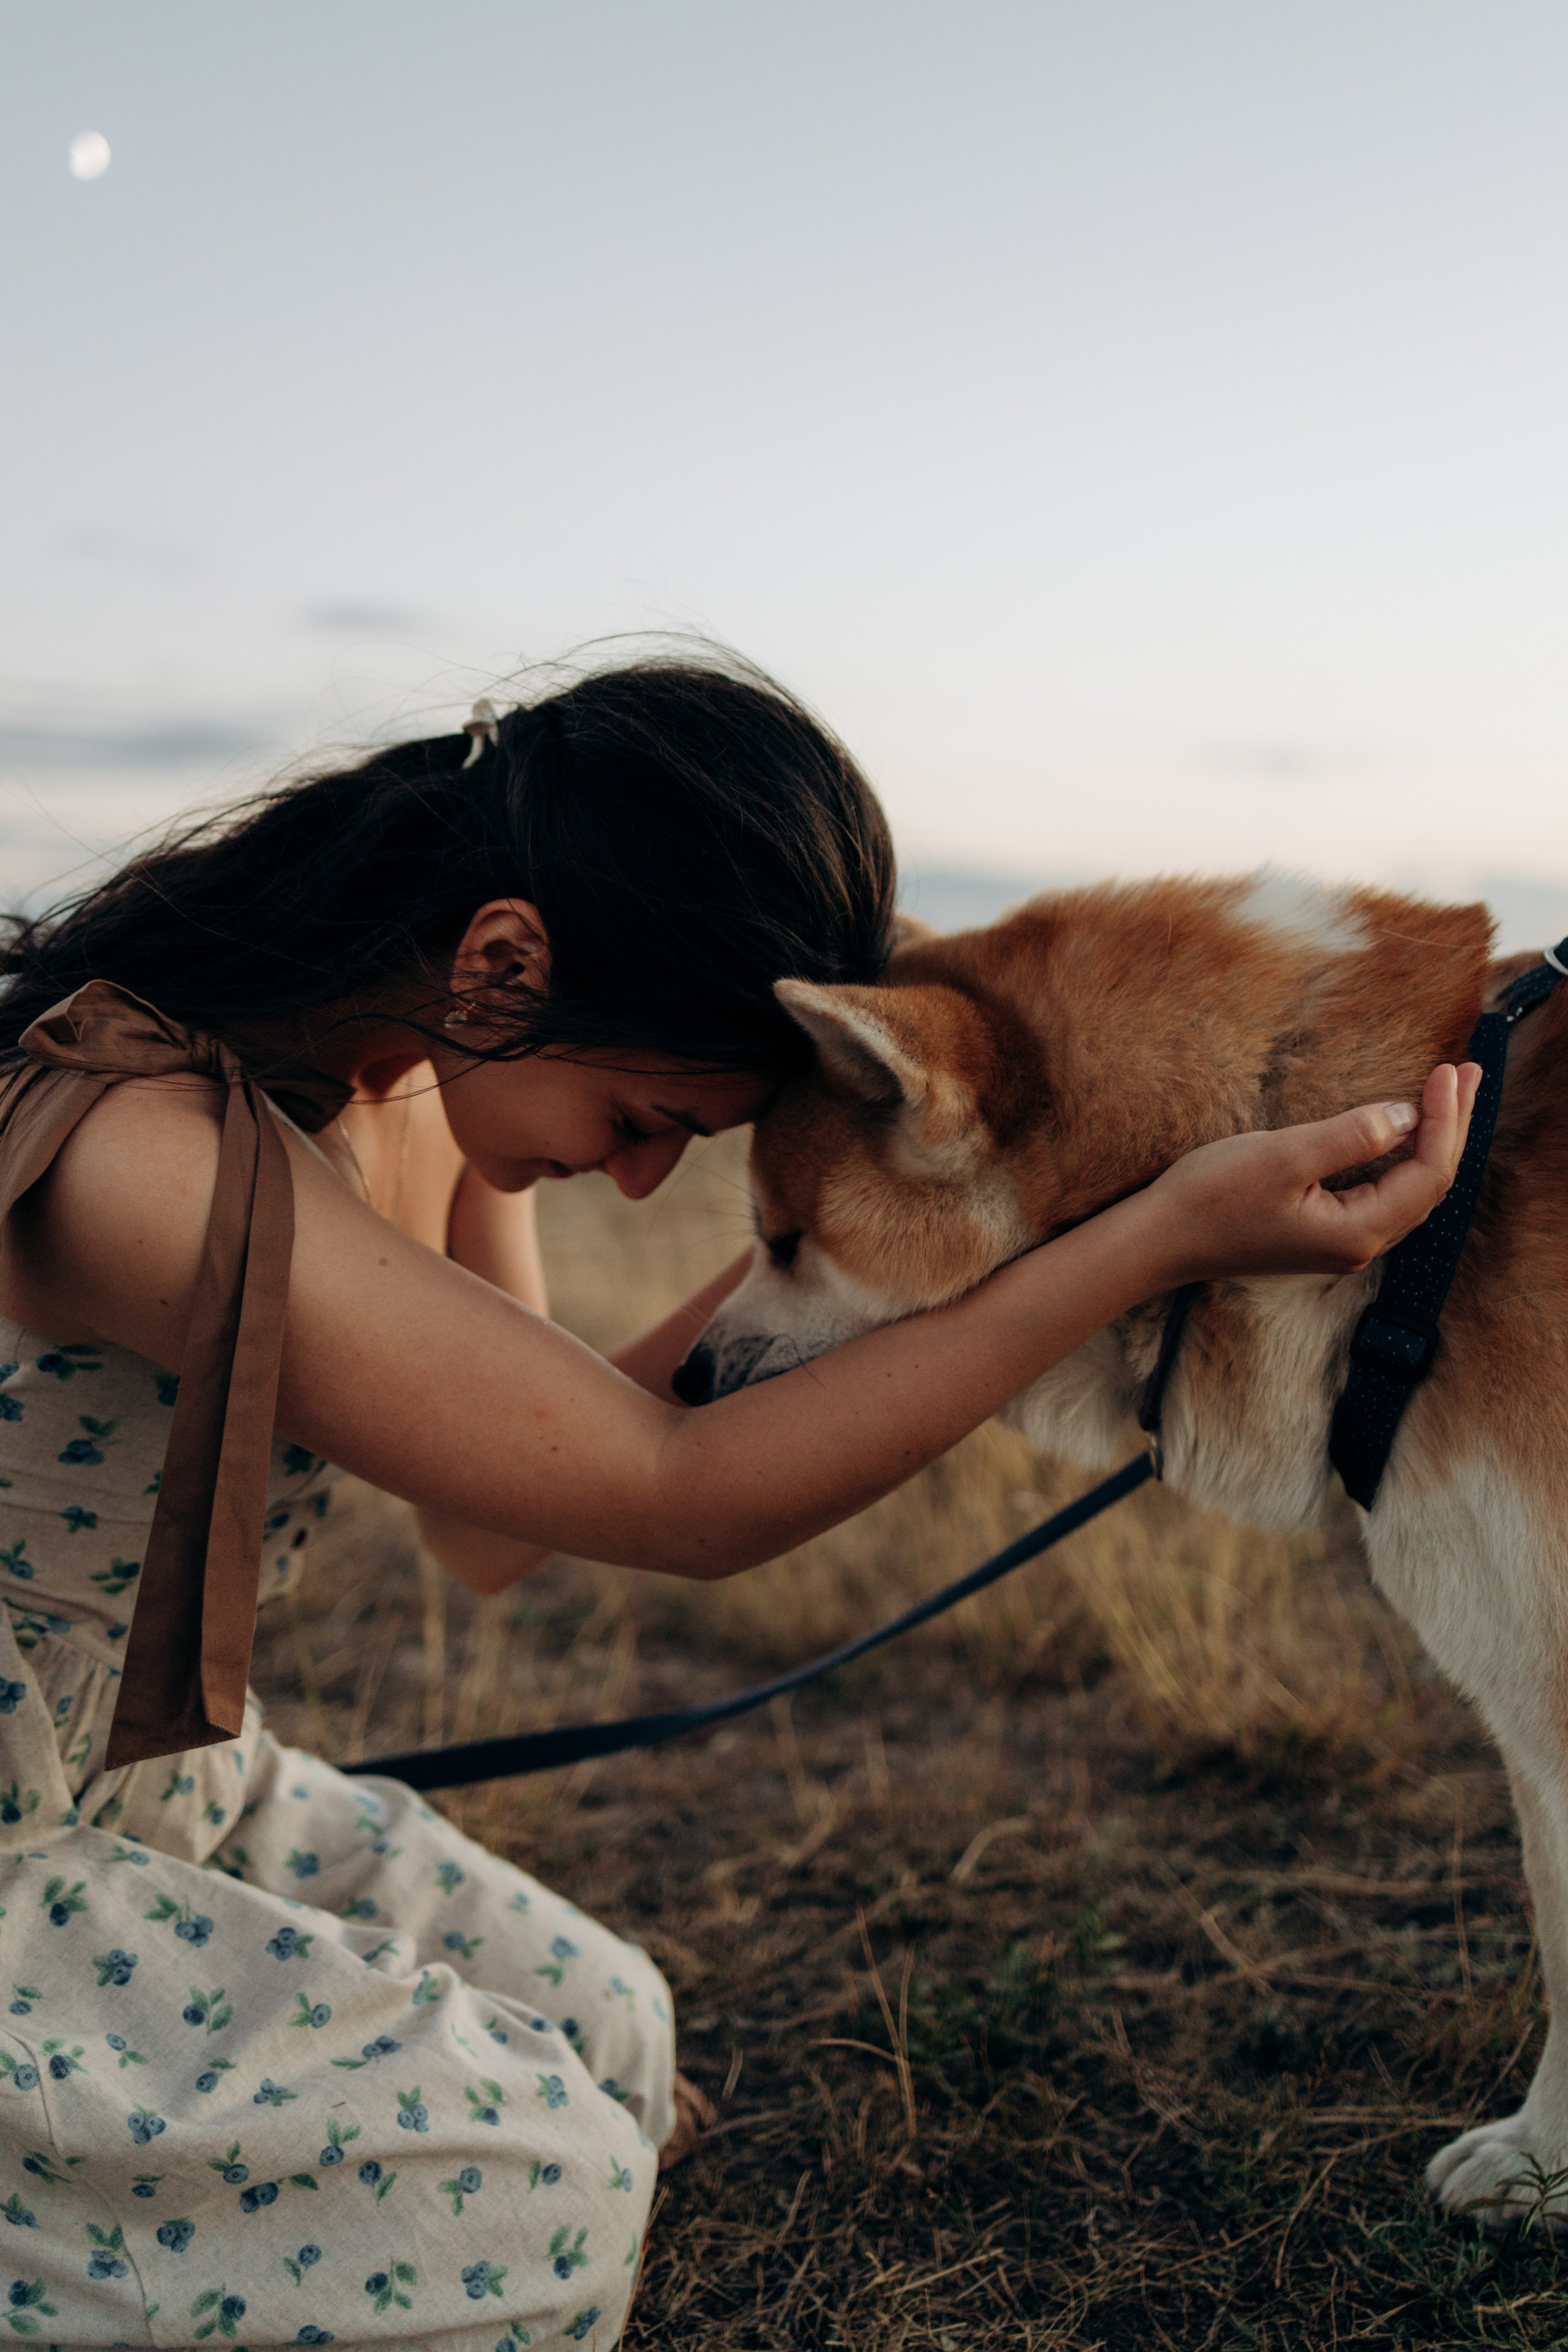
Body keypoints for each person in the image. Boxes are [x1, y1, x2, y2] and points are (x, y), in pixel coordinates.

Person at [0, 653, 1476, 2351]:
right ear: (501, 960)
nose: (639, 1175)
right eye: (641, 1120)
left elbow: (502, 1521)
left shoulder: (415, 1089)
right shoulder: (145, 1154)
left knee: (616, 2032)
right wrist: (1146, 1242)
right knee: (544, 2195)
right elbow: (675, 1493)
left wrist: (845, 1250)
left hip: (147, 1792)